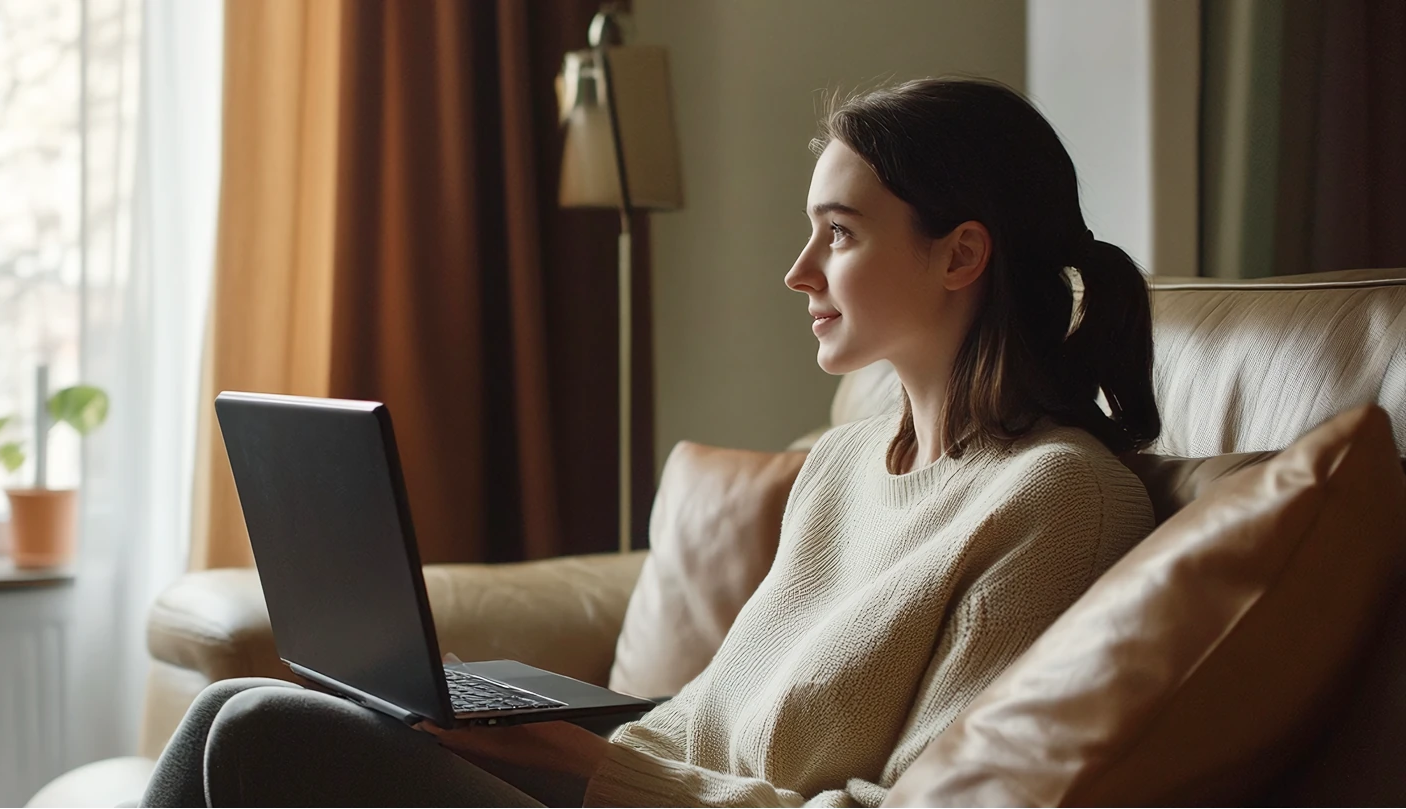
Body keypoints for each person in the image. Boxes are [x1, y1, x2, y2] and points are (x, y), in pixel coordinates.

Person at [142, 77, 1159, 808]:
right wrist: (530, 734)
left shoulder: (1060, 500)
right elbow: (705, 721)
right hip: (629, 791)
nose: (799, 271)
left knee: (261, 735)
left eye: (839, 233)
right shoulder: (847, 465)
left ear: (961, 253)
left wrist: (590, 765)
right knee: (238, 704)